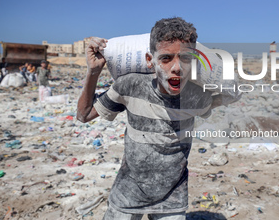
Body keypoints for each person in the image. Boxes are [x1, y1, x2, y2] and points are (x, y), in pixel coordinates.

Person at [77, 17, 238, 220]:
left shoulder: (197, 98)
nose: (177, 67)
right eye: (166, 58)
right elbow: (83, 115)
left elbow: (231, 93)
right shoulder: (129, 86)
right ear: (149, 61)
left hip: (171, 199)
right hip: (128, 195)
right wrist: (93, 71)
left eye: (186, 59)